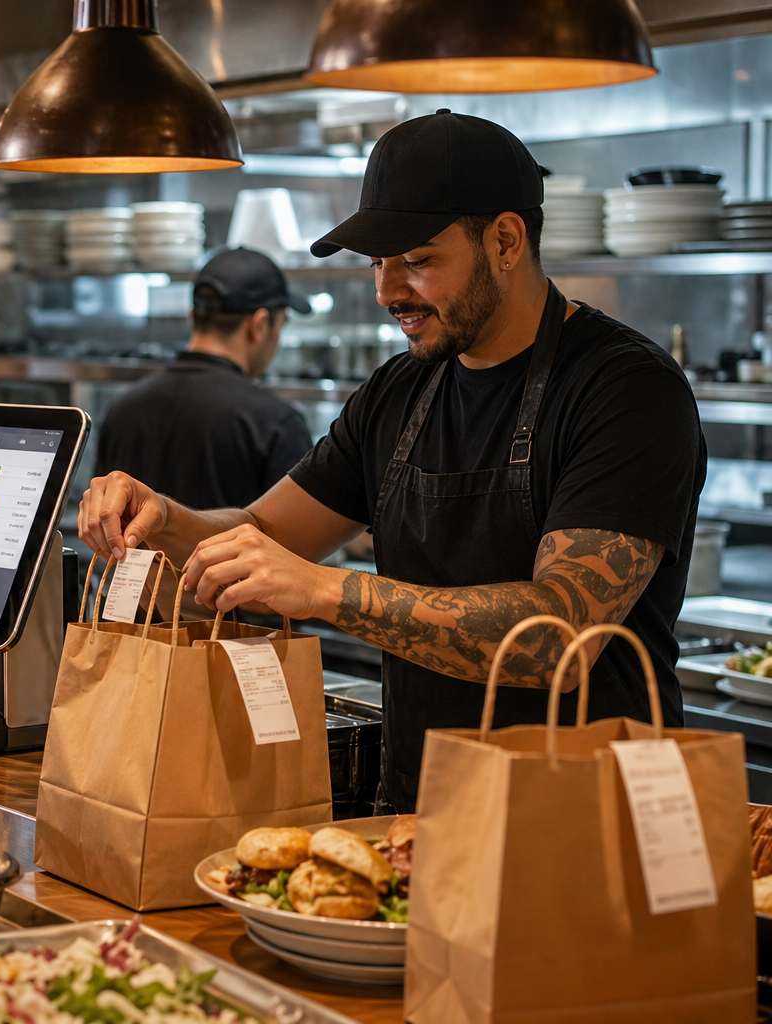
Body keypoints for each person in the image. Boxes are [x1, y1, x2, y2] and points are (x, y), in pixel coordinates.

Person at [79, 109, 705, 813]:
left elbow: (558, 638)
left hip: (583, 828)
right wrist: (163, 520)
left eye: (416, 260)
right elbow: (266, 534)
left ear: (505, 240)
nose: (386, 293)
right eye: (378, 264)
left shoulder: (626, 390)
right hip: (419, 812)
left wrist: (326, 591)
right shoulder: (398, 392)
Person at [93, 248, 313, 511]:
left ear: (193, 317)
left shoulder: (122, 409)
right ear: (259, 326)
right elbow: (295, 544)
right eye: (281, 327)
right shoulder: (277, 424)